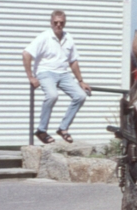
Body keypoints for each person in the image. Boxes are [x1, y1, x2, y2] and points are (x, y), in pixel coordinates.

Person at [23, 11, 91, 144]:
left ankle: (63, 128)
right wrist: (31, 77)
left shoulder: (68, 37)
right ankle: (41, 130)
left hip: (63, 73)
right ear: (51, 22)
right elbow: (26, 54)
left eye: (61, 23)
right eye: (56, 23)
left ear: (65, 23)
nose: (58, 25)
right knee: (52, 96)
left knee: (81, 96)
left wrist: (81, 81)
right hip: (45, 72)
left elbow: (73, 61)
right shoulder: (44, 37)